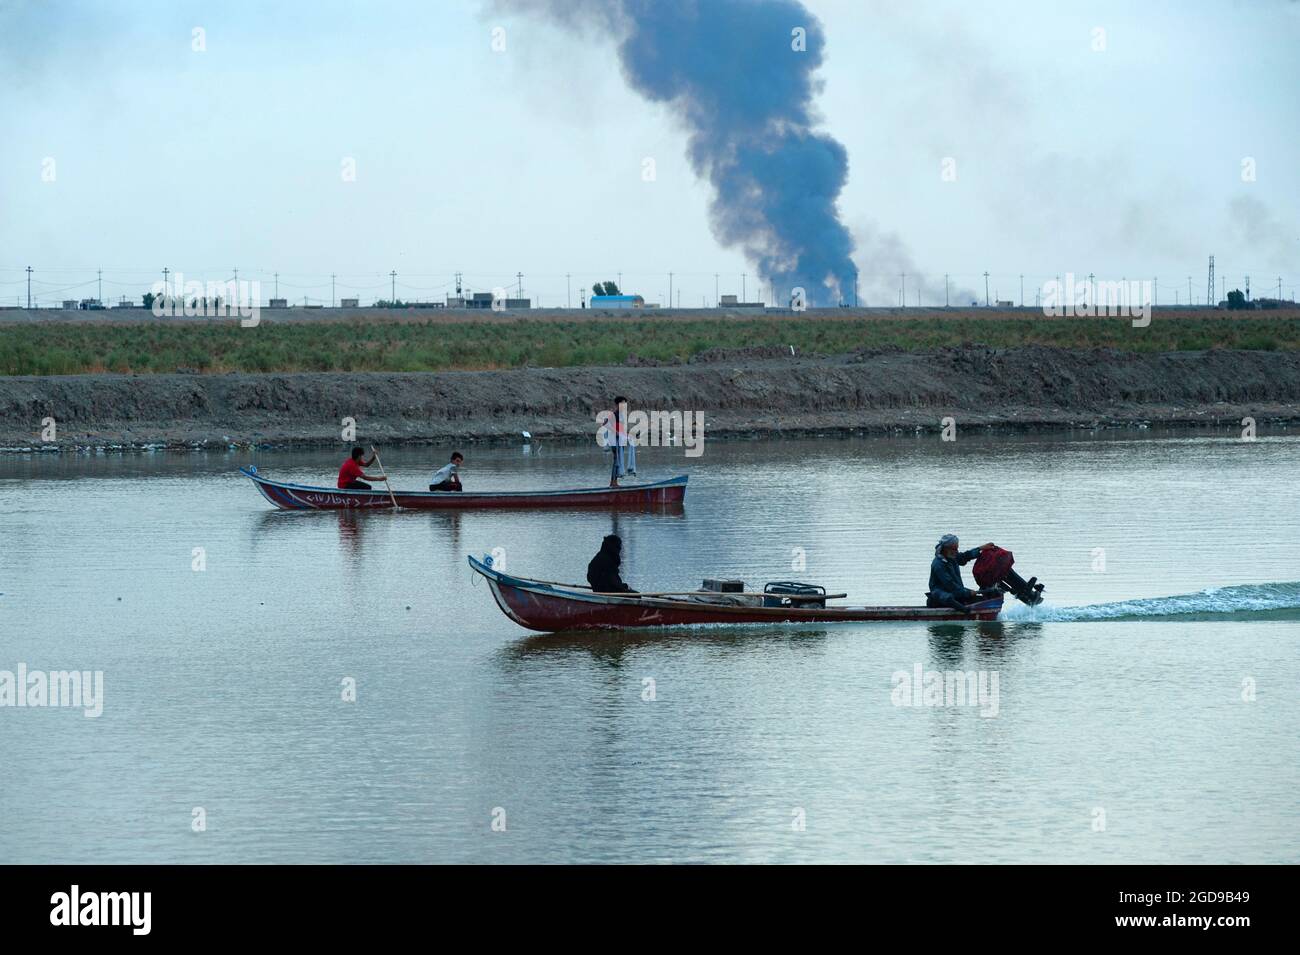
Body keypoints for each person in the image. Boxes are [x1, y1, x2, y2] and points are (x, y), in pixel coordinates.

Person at [927, 534, 998, 610]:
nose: (956, 551)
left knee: (984, 598)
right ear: (945, 549)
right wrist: (967, 592)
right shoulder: (938, 564)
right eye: (954, 549)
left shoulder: (952, 556)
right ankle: (965, 610)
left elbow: (964, 557)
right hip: (941, 594)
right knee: (949, 598)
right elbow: (950, 584)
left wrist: (981, 548)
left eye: (957, 549)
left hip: (956, 592)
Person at [606, 395, 636, 487]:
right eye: (623, 403)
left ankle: (614, 482)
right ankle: (613, 482)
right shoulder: (614, 414)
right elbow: (606, 424)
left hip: (619, 441)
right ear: (618, 404)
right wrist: (616, 433)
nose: (624, 405)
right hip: (615, 442)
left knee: (617, 461)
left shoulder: (621, 415)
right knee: (616, 461)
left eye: (625, 403)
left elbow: (621, 429)